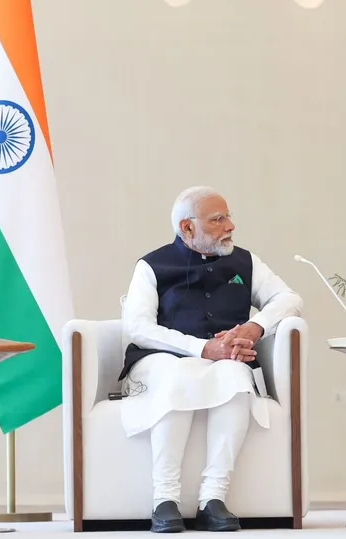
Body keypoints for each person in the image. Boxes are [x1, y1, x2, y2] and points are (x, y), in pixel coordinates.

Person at [118, 186, 303, 533]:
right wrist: (202, 348)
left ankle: (213, 498)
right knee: (180, 374)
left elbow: (289, 298)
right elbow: (138, 328)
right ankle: (164, 499)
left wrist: (253, 328)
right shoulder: (152, 265)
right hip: (159, 360)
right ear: (187, 227)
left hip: (225, 361)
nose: (230, 226)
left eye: (229, 217)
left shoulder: (246, 261)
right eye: (218, 220)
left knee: (236, 376)